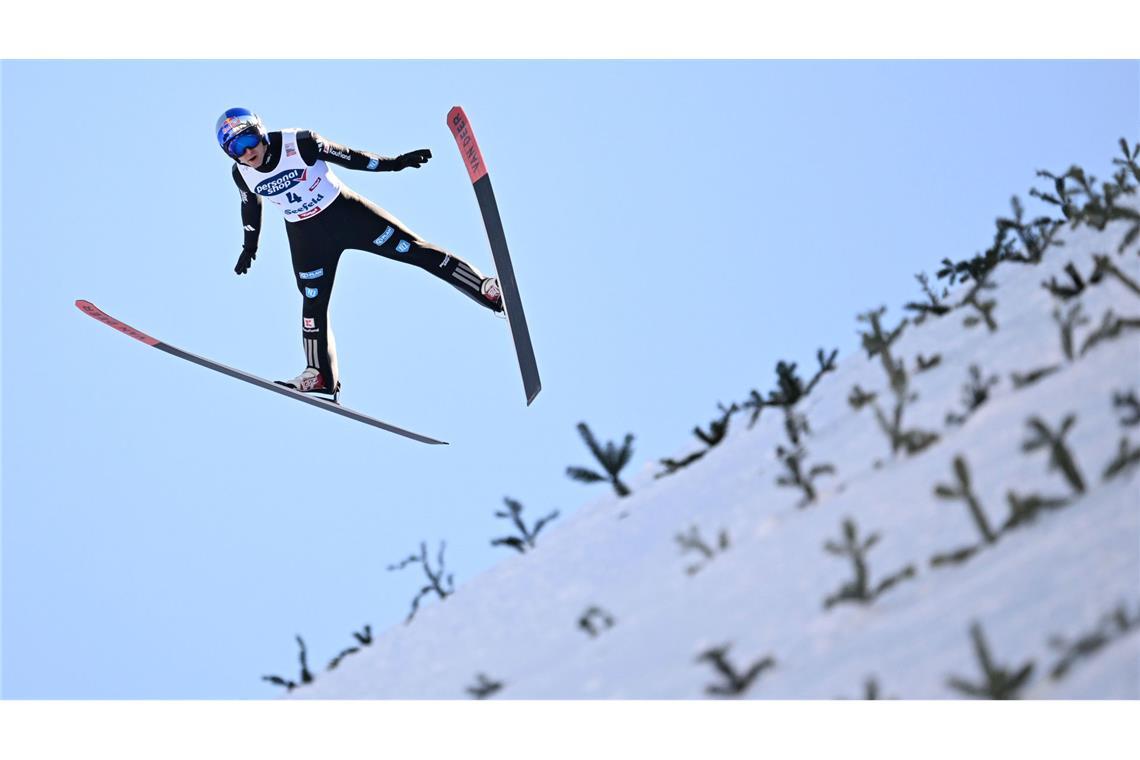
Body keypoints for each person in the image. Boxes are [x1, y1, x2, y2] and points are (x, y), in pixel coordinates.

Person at [216, 107, 502, 400]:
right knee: (312, 303)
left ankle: (485, 289)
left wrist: (394, 164)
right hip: (307, 237)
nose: (247, 151)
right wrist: (249, 247)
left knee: (414, 250)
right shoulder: (242, 174)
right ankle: (319, 375)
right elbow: (250, 206)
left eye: (248, 139)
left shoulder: (299, 143)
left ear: (260, 131)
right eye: (235, 148)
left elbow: (351, 156)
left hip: (347, 216)